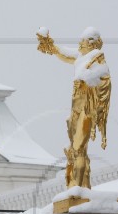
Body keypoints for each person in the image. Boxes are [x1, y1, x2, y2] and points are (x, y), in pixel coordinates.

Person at [37, 27, 111, 189]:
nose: (79, 43)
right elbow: (63, 54)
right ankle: (78, 183)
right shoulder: (81, 57)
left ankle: (78, 187)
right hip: (75, 110)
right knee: (73, 149)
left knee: (78, 149)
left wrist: (86, 78)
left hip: (86, 110)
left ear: (91, 44)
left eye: (82, 41)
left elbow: (102, 77)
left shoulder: (97, 59)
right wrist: (49, 43)